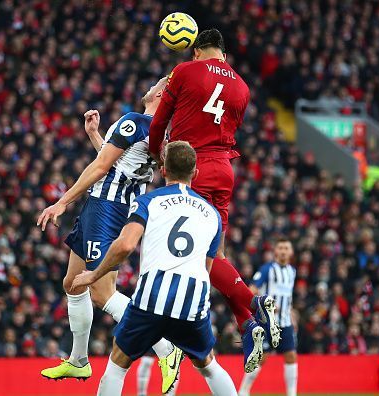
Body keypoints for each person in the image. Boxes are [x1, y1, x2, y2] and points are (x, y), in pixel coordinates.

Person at [38, 77, 183, 393]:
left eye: (156, 83)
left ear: (160, 92)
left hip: (107, 208)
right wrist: (95, 137)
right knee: (72, 283)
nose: (148, 86)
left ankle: (166, 348)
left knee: (102, 292)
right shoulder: (159, 131)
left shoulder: (135, 121)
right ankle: (78, 360)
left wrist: (62, 202)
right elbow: (121, 165)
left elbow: (103, 167)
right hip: (109, 206)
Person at [148, 28, 280, 372]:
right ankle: (248, 325)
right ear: (222, 53)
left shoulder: (185, 71)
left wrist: (156, 155)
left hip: (193, 167)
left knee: (195, 257)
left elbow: (160, 119)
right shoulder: (243, 87)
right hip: (225, 170)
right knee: (215, 256)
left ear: (196, 51)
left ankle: (254, 302)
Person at [72, 141, 238, 395]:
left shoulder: (148, 202)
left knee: (118, 363)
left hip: (153, 297)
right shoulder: (212, 214)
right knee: (208, 364)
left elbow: (126, 245)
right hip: (191, 299)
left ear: (163, 169)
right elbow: (207, 266)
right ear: (195, 173)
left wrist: (94, 274)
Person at [239, 238, 298, 396]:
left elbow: (288, 297)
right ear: (275, 251)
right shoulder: (267, 269)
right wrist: (266, 305)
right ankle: (243, 391)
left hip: (285, 323)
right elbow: (251, 290)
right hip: (267, 322)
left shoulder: (292, 271)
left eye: (286, 248)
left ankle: (292, 393)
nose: (284, 251)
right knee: (261, 358)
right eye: (281, 248)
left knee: (291, 355)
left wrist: (291, 315)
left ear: (291, 252)